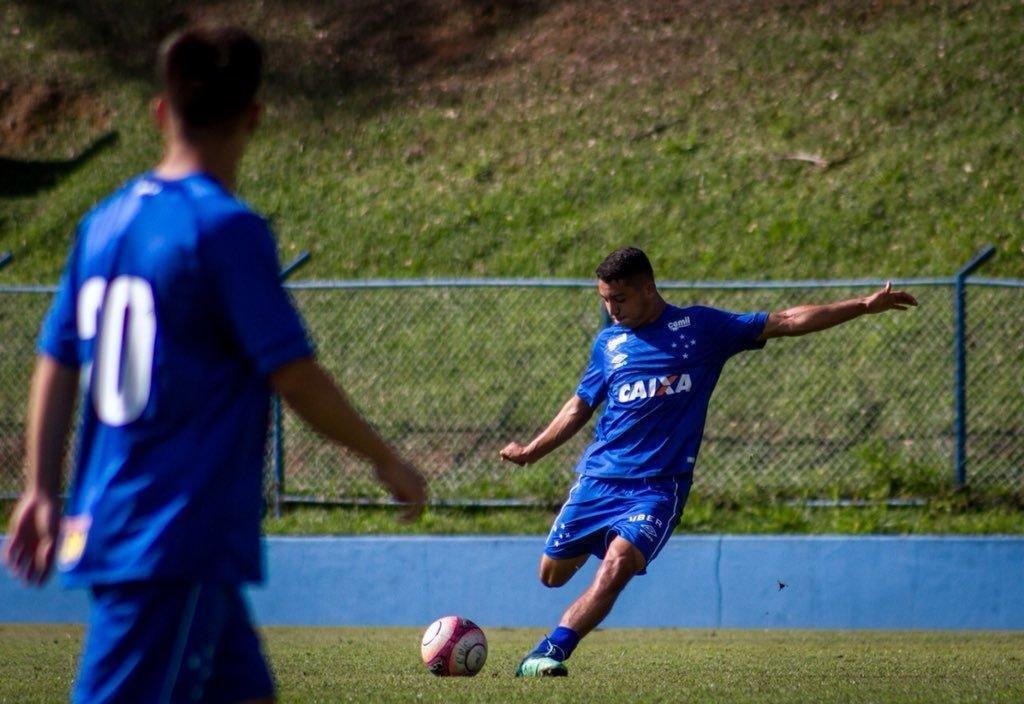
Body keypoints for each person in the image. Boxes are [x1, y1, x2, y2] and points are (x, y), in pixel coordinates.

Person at [2, 25, 427, 703]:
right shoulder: (226, 229)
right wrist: (386, 459)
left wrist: (41, 489)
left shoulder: (104, 222)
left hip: (129, 522)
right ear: (253, 117)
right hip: (174, 535)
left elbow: (56, 359)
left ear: (160, 111)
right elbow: (294, 374)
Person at [500, 246, 917, 676]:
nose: (612, 309)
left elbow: (786, 320)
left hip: (659, 487)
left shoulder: (699, 328)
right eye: (605, 300)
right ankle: (602, 538)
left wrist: (863, 305)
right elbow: (580, 405)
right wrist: (532, 450)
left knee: (618, 565)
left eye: (619, 299)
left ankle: (548, 652)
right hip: (599, 480)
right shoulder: (609, 343)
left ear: (648, 288)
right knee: (551, 575)